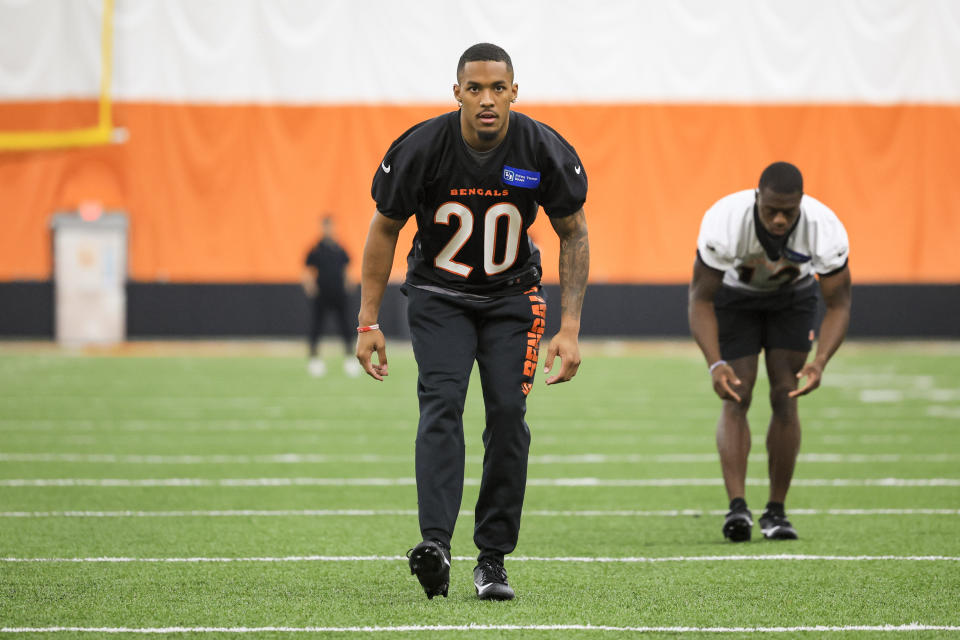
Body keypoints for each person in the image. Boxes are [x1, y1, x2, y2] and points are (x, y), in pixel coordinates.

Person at [355, 43, 589, 600]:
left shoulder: (540, 147)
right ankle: (434, 544)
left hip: (512, 297)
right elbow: (383, 227)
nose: (487, 99)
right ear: (456, 91)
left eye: (497, 88)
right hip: (440, 295)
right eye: (475, 88)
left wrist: (571, 326)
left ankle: (492, 559)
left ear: (515, 91)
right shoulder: (422, 146)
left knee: (509, 415)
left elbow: (573, 231)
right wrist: (368, 321)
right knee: (441, 403)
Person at [688, 161, 852, 542]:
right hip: (735, 299)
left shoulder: (824, 227)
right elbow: (700, 299)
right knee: (736, 393)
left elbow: (840, 305)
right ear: (757, 198)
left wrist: (821, 362)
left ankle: (776, 511)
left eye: (788, 212)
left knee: (785, 394)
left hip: (792, 300)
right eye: (771, 210)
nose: (779, 220)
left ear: (801, 203)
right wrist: (715, 363)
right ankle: (738, 508)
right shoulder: (725, 221)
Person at [302, 216, 361, 377]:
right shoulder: (316, 249)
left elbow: (347, 267)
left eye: (331, 226)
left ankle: (350, 358)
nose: (329, 230)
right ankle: (314, 359)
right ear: (322, 228)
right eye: (326, 227)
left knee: (345, 325)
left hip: (338, 294)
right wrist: (309, 285)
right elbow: (307, 268)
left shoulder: (339, 248)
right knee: (317, 326)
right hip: (322, 294)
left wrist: (349, 282)